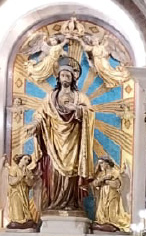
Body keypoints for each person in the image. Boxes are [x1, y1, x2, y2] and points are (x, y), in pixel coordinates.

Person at [29, 57, 94, 211]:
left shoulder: (81, 97)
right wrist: (35, 124)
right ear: (58, 77)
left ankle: (72, 203)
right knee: (53, 172)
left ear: (73, 78)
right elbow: (40, 114)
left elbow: (90, 113)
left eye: (68, 75)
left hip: (74, 142)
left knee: (72, 173)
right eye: (63, 75)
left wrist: (77, 109)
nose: (65, 78)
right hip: (54, 142)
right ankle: (55, 203)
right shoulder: (50, 97)